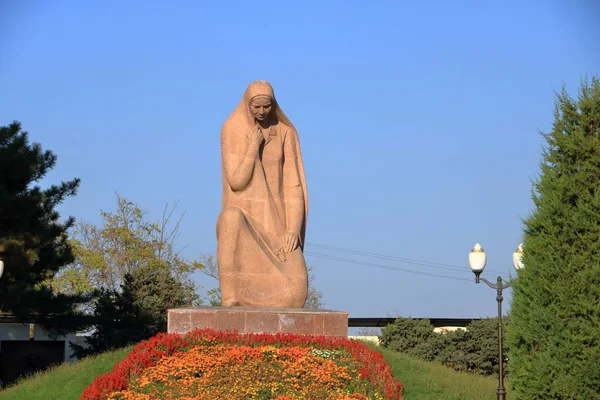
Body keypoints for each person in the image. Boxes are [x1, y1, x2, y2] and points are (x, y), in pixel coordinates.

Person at [216, 81, 309, 308]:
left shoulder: (286, 133)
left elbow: (293, 185)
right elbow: (237, 182)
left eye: (266, 106)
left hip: (277, 225)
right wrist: (252, 146)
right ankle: (230, 297)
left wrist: (292, 229)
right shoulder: (233, 129)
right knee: (230, 219)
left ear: (273, 105)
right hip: (246, 220)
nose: (261, 112)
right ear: (247, 105)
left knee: (296, 293)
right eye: (256, 107)